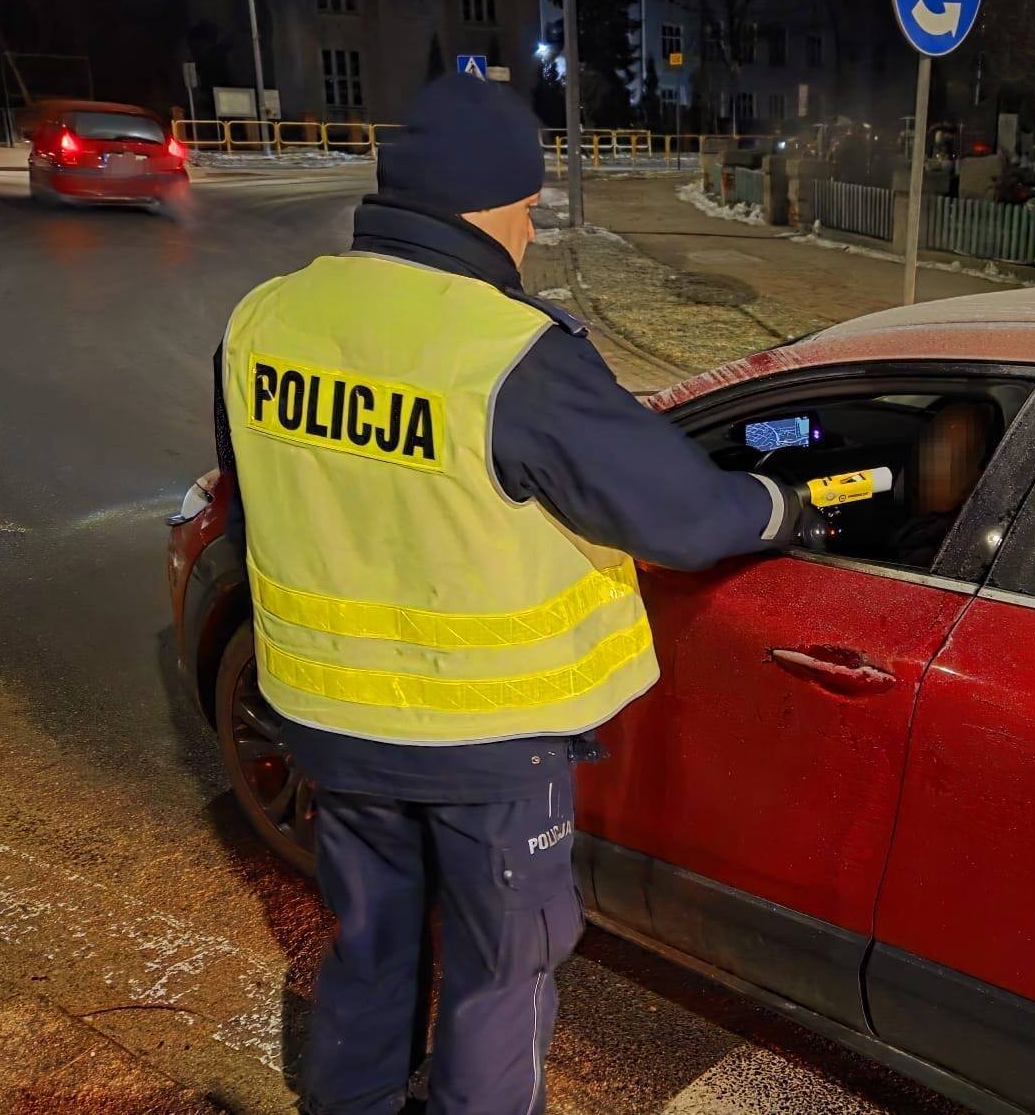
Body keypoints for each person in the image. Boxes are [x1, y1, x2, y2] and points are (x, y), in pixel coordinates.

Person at [212, 74, 820, 1115]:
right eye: (528, 207)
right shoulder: (509, 355)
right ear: (485, 204)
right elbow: (680, 516)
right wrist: (780, 508)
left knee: (370, 942)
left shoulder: (264, 319)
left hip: (331, 719)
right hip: (486, 743)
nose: (532, 230)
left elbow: (251, 504)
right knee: (500, 975)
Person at [891, 401, 993, 569]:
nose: (927, 467)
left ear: (979, 474)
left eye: (948, 457)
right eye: (928, 450)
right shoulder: (922, 531)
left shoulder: (955, 545)